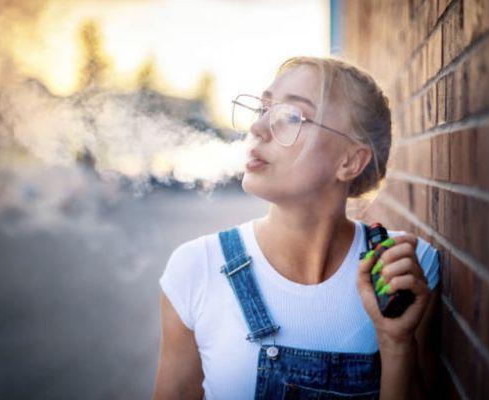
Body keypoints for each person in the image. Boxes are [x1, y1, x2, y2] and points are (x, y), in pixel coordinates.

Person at [153, 56, 441, 400]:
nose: (258, 128)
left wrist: (396, 343)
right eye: (263, 109)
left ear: (349, 161)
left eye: (290, 116)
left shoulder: (403, 273)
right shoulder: (196, 268)